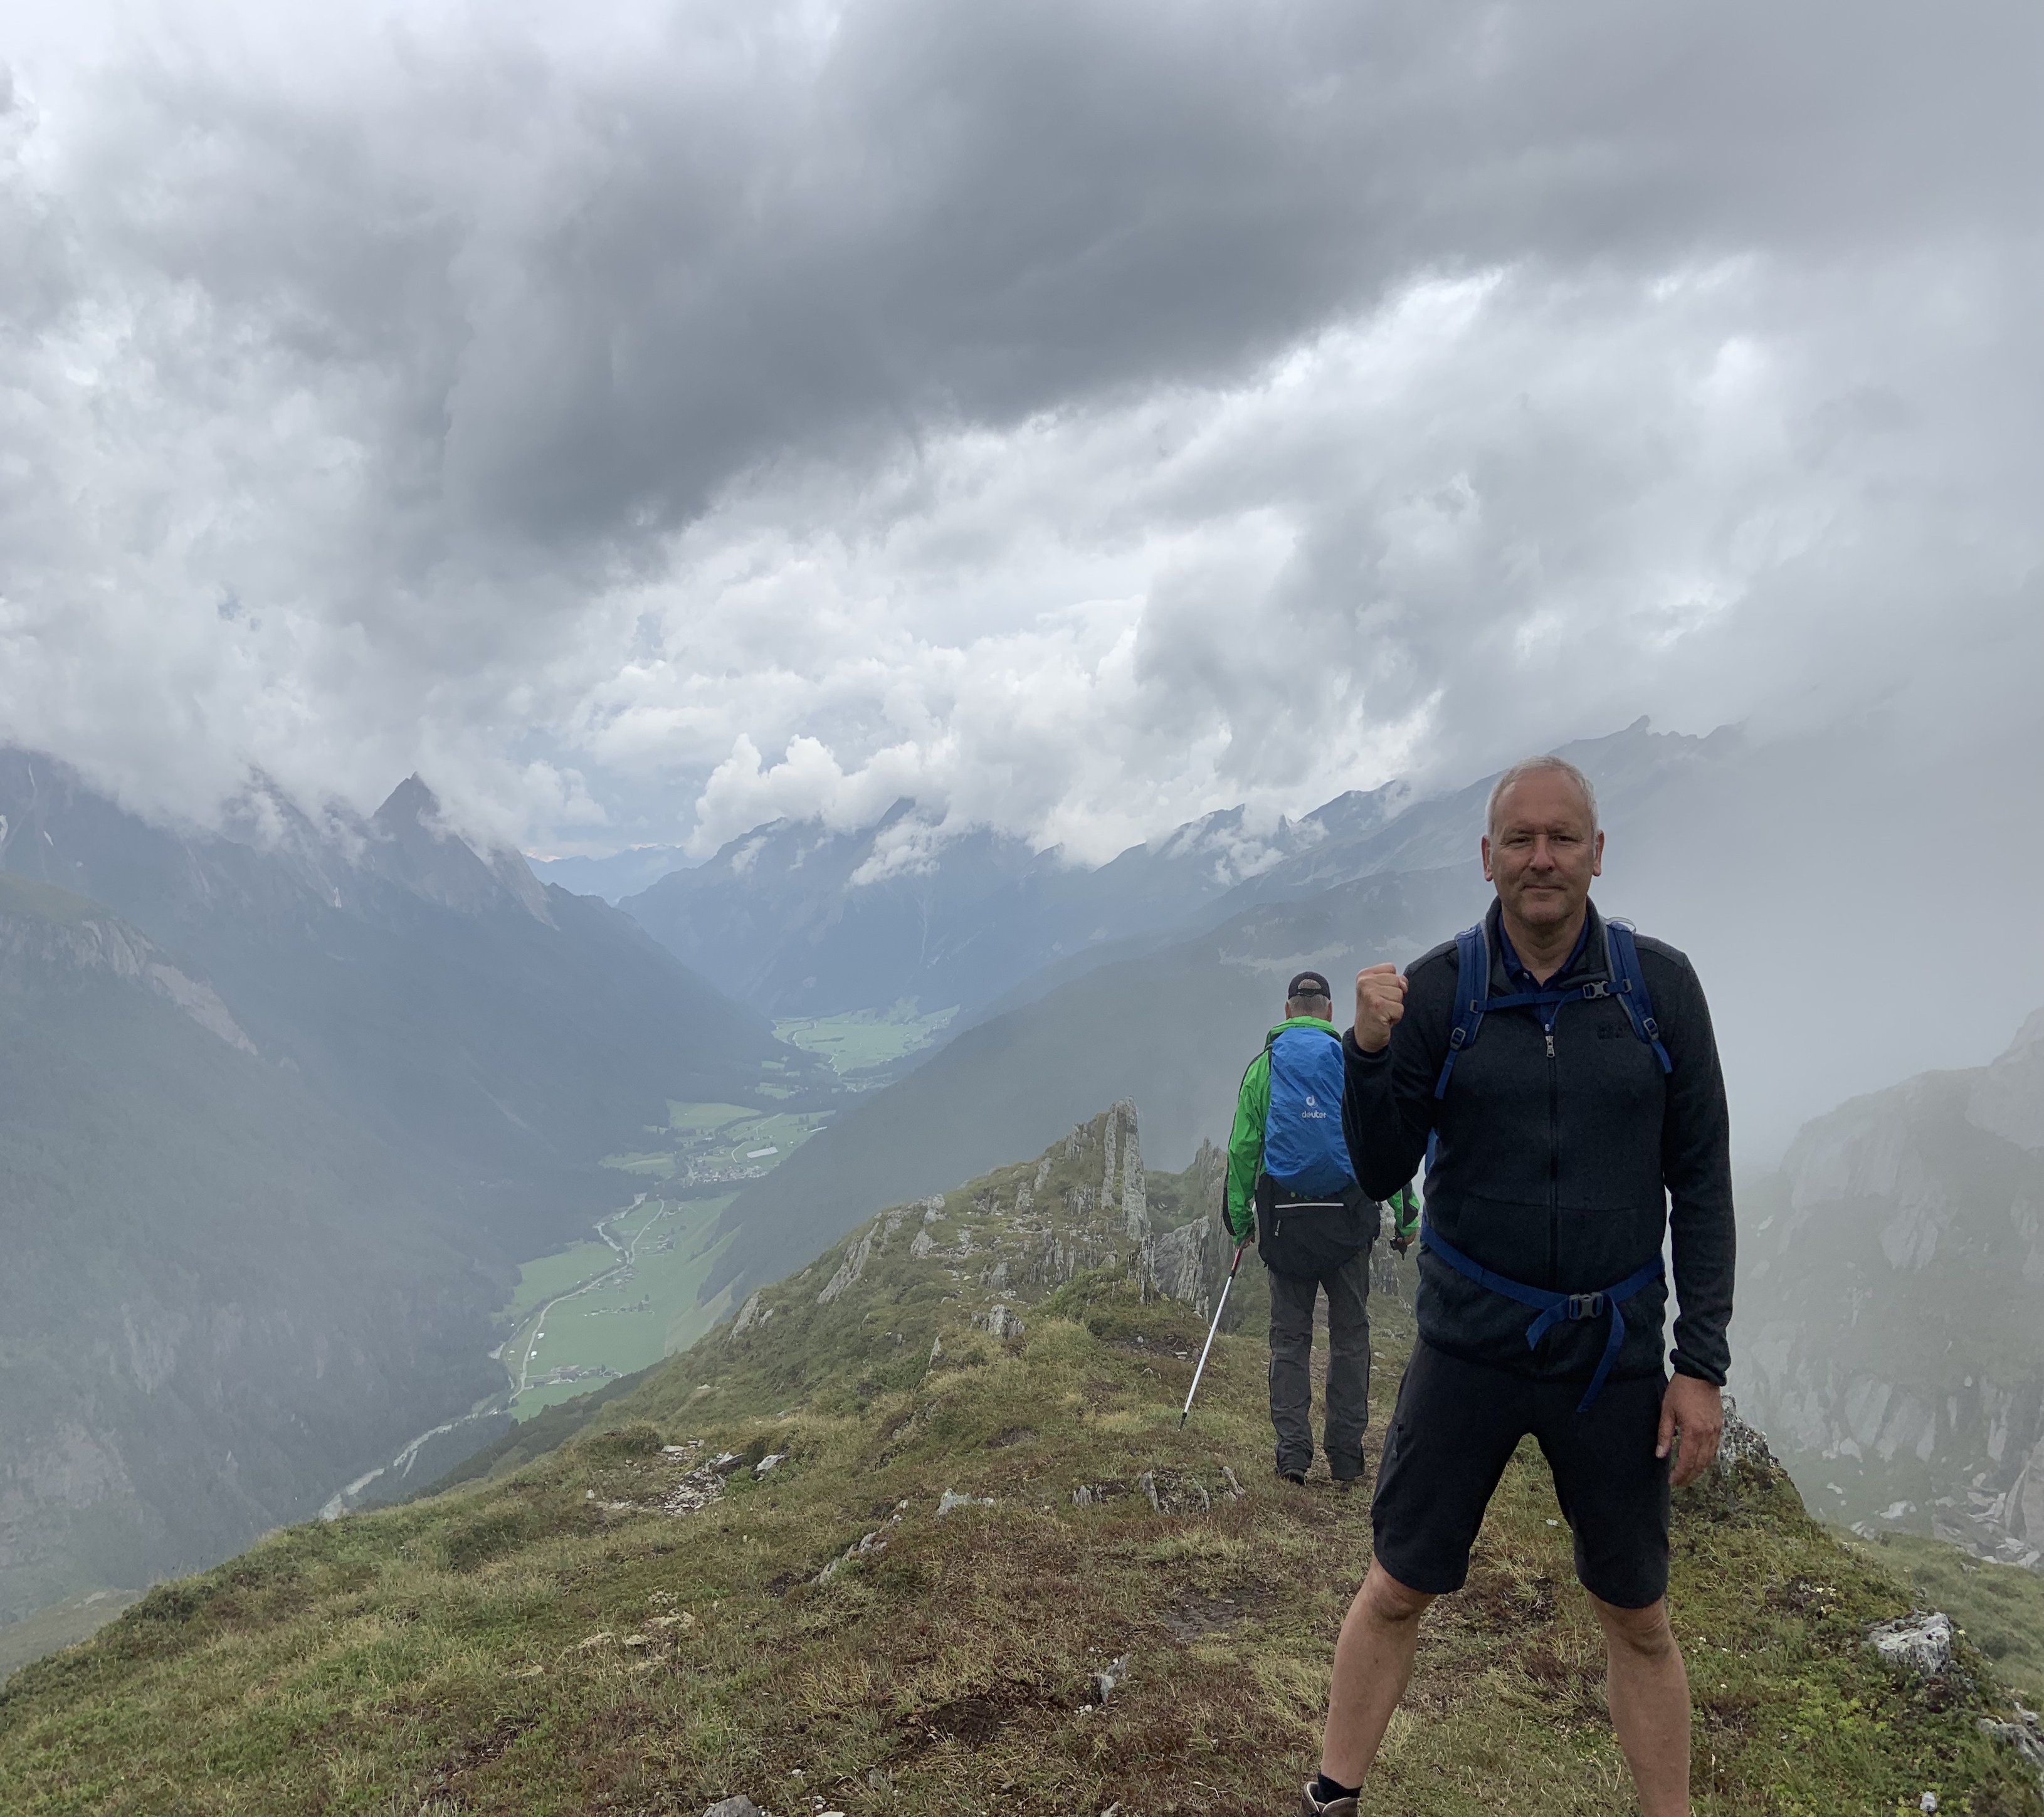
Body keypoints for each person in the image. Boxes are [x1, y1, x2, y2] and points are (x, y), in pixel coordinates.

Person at [1300, 755, 1733, 1817]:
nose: (1543, 857)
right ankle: (1331, 1797)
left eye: (1563, 837)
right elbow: (1380, 1169)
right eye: (1521, 839)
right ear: (1487, 856)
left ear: (1597, 853)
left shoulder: (1660, 990)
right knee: (1397, 1584)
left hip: (1612, 1356)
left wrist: (1700, 1364)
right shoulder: (1440, 992)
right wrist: (1368, 1052)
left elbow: (1702, 1180)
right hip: (1468, 1347)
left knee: (1637, 1614)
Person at [1223, 971, 1383, 1486]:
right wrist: (1407, 1217)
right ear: (1331, 1012)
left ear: (1288, 1011)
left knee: (1290, 1340)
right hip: (1347, 1221)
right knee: (1350, 1337)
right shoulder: (1352, 1063)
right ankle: (1346, 1458)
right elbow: (1386, 1141)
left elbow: (1243, 1150)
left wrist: (1240, 1222)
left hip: (1286, 1224)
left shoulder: (1264, 1068)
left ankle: (1293, 1455)